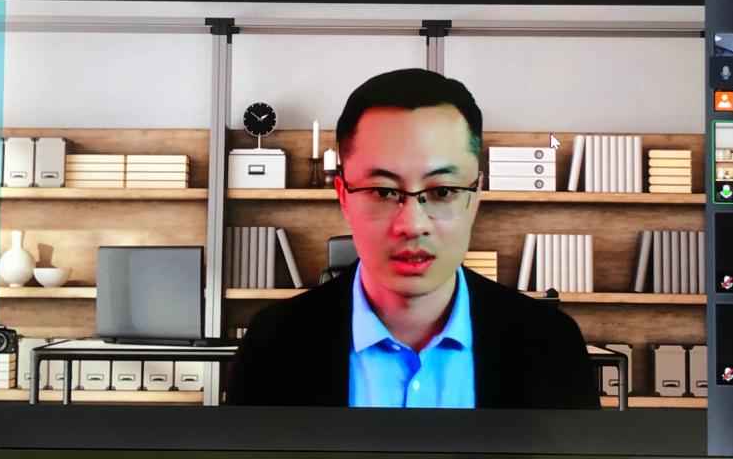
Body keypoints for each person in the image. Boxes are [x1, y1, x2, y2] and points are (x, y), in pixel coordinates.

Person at [226, 68, 599, 409]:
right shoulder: (274, 343)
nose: (412, 225)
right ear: (343, 196)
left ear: (477, 195)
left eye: (442, 191)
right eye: (383, 191)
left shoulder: (550, 343)